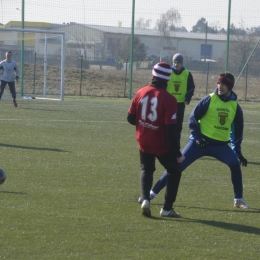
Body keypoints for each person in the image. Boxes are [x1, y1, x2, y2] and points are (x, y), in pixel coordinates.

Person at [142, 72, 250, 209]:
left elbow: (237, 133)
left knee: (234, 164)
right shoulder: (208, 99)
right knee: (176, 167)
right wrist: (198, 138)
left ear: (230, 86)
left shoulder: (235, 107)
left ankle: (238, 200)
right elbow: (192, 119)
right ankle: (152, 193)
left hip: (220, 145)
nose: (219, 86)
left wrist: (237, 152)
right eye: (218, 83)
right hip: (199, 143)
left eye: (223, 84)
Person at [127, 62, 185, 218]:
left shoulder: (141, 92)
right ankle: (167, 209)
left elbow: (131, 118)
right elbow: (170, 131)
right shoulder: (169, 99)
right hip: (160, 144)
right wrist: (177, 153)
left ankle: (146, 199)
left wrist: (145, 124)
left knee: (146, 169)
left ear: (153, 75)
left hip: (143, 140)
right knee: (174, 172)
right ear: (167, 79)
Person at [166, 53, 195, 141]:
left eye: (178, 62)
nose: (176, 64)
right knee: (167, 124)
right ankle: (166, 144)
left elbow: (191, 87)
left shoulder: (186, 73)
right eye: (174, 62)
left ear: (181, 63)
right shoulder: (168, 72)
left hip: (180, 104)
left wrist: (188, 98)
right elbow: (162, 85)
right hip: (168, 104)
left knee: (178, 126)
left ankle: (176, 146)